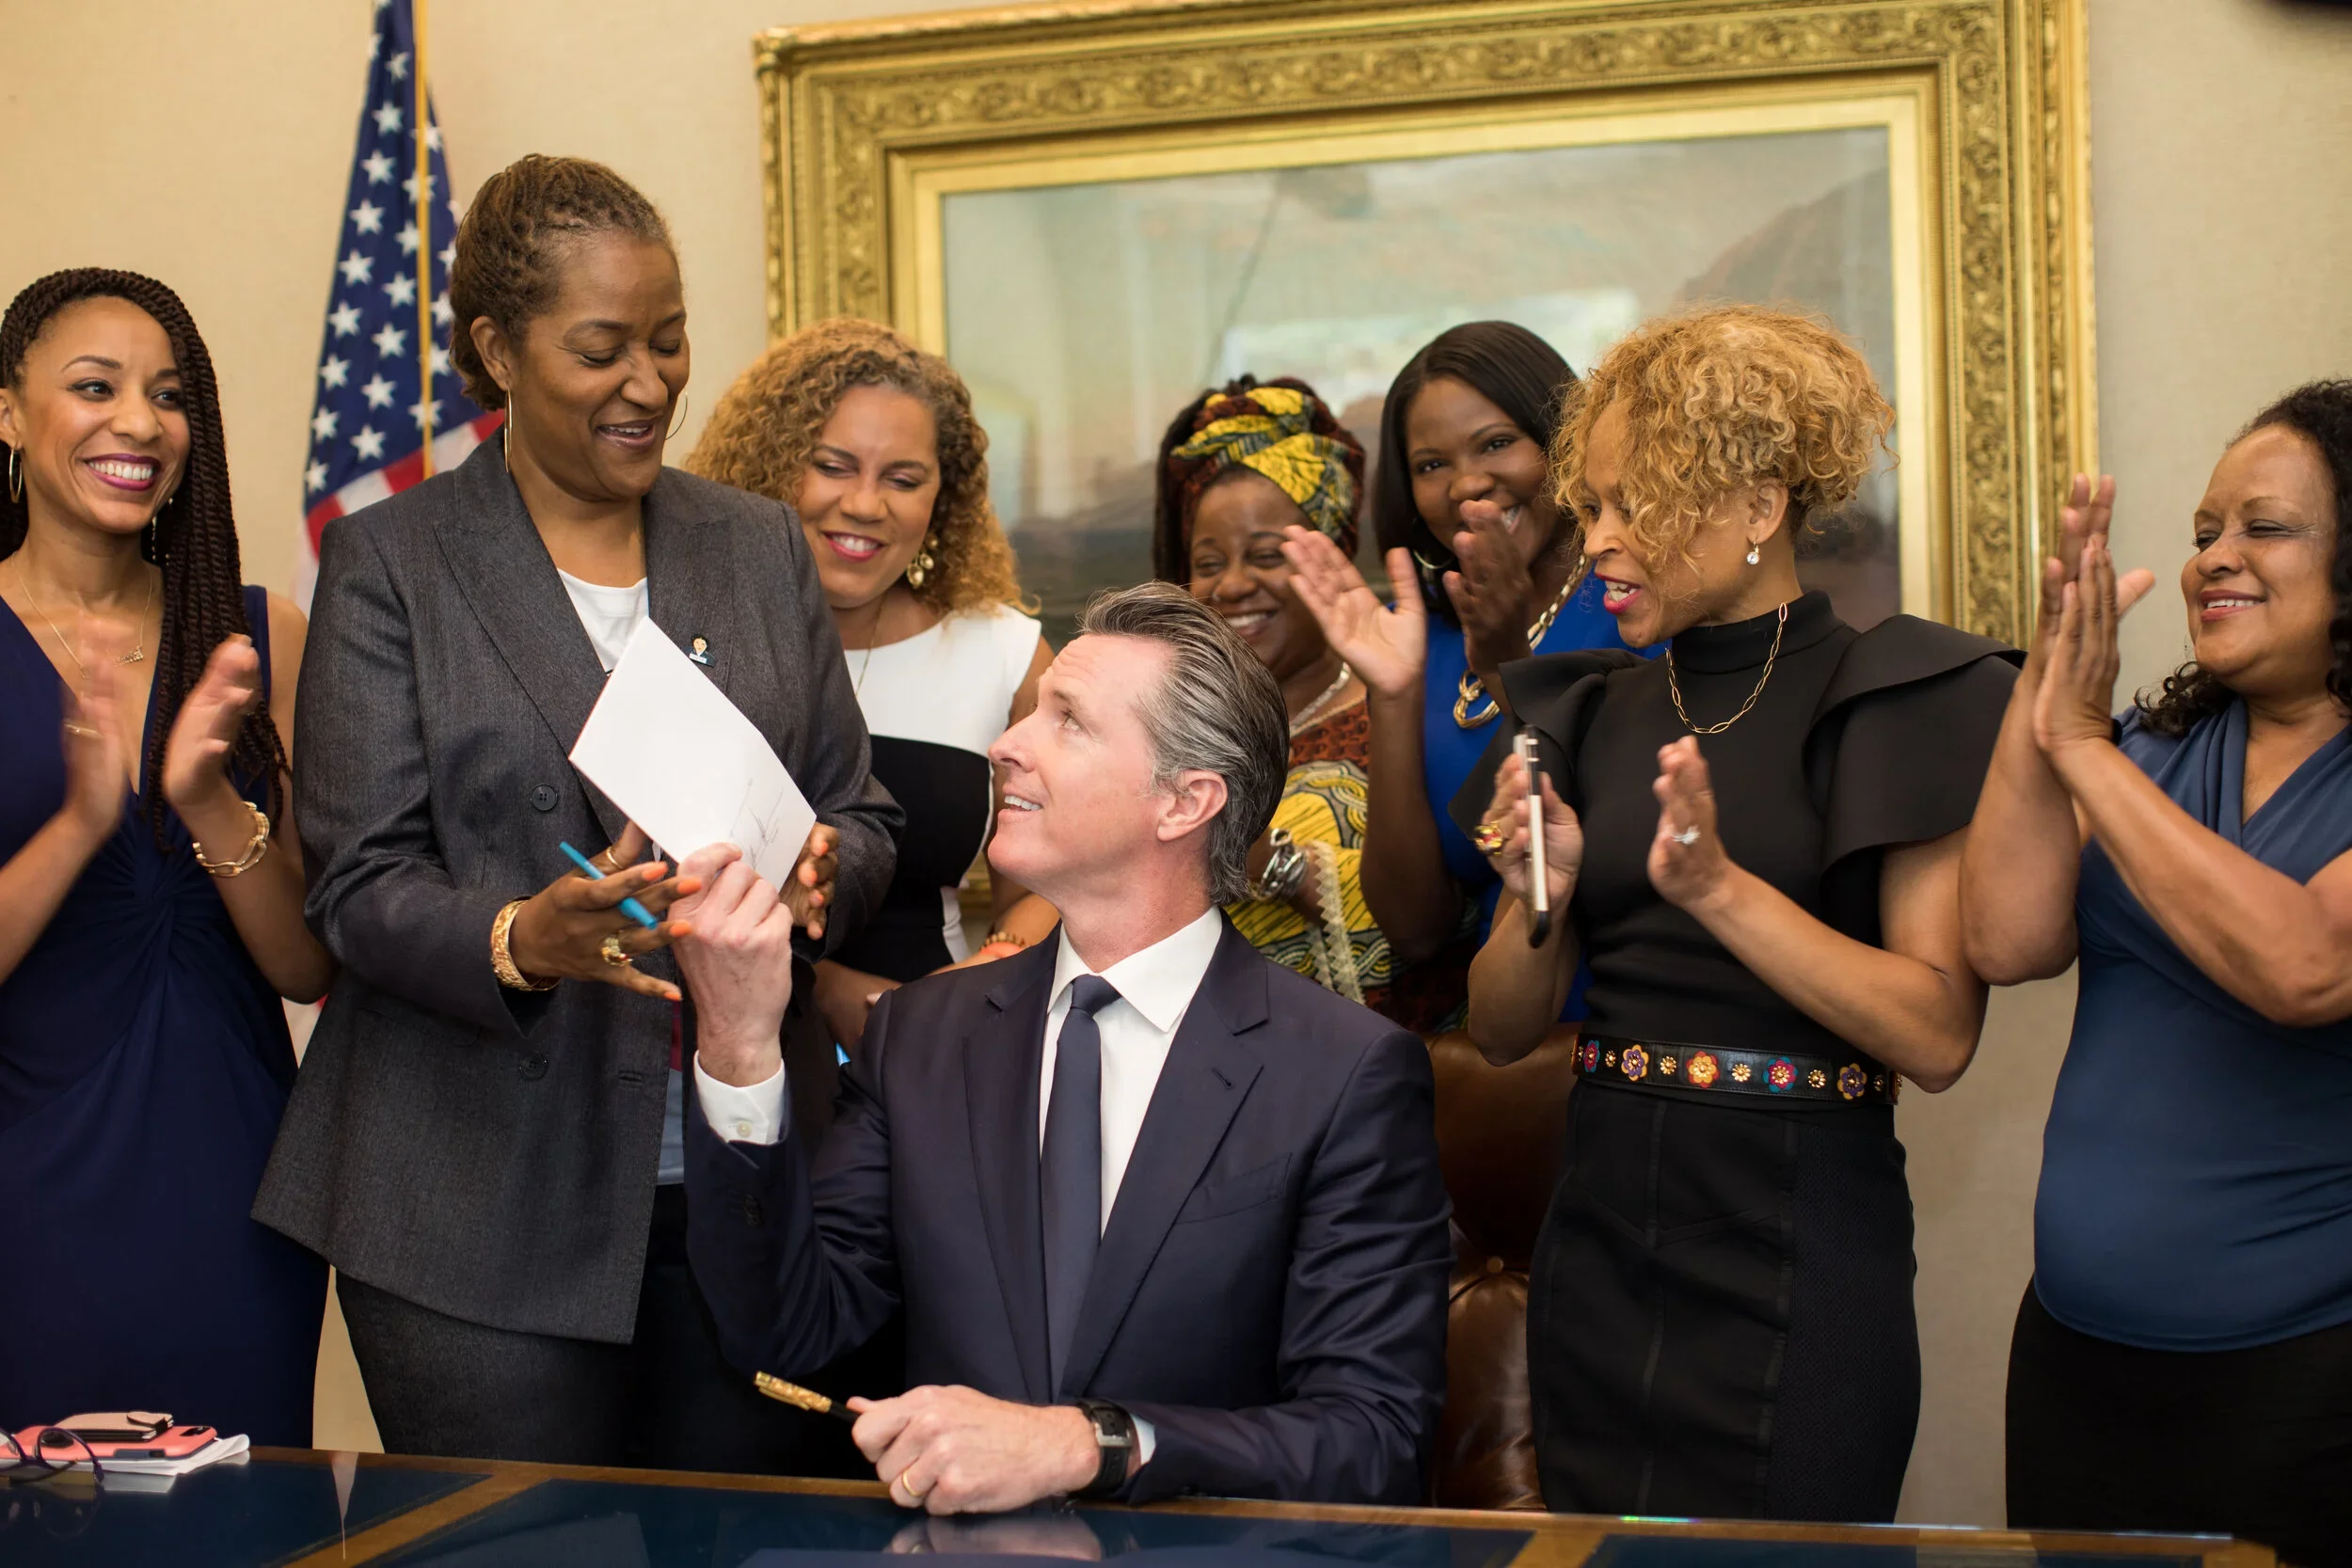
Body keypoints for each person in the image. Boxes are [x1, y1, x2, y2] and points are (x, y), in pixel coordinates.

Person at [252, 156, 899, 1472]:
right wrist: (518, 938)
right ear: (497, 348)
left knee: (742, 1543)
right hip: (472, 1191)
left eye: (669, 341)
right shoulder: (394, 563)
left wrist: (831, 867)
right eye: (602, 348)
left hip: (737, 1164)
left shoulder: (757, 543)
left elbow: (859, 800)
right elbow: (358, 877)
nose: (651, 383)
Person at [675, 582, 1453, 1511]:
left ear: (1184, 800)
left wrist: (1091, 1444)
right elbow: (785, 1330)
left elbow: (1372, 1437)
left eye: (1069, 721)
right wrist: (737, 1040)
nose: (1007, 743)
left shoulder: (1342, 1071)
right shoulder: (922, 1036)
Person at [1436, 305, 2015, 1521]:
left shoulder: (1893, 692)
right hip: (1602, 1237)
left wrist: (1719, 890)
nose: (1598, 540)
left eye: (1633, 502)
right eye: (1589, 505)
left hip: (1801, 1247)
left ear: (1757, 505)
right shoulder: (1585, 708)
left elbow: (1936, 1030)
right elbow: (1496, 1028)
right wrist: (1538, 901)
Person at [1962, 382, 2352, 1567]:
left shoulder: (2114, 762)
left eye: (2262, 527)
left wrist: (2083, 749)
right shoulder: (2154, 750)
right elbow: (2006, 938)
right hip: (2076, 1365)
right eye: (2200, 534)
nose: (2213, 560)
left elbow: (2303, 964)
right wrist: (2050, 682)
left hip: (2302, 1381)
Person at [0, 268, 330, 1445]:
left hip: (233, 1183)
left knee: (239, 1518)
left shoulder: (259, 634)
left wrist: (200, 798)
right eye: (96, 386)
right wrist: (83, 821)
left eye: (171, 394)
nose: (140, 421)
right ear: (7, 410)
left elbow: (305, 968)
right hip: (28, 1195)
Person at [689, 319, 1054, 1050]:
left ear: (942, 498)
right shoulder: (696, 640)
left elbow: (1053, 880)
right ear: (770, 466)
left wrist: (986, 973)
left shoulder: (1006, 655)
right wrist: (827, 990)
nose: (864, 504)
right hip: (722, 1043)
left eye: (903, 479)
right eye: (832, 465)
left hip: (940, 1054)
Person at [1283, 323, 1630, 1029]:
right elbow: (1416, 928)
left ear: (1565, 440)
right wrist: (1393, 691)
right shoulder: (1422, 629)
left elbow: (1605, 833)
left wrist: (1508, 665)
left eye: (1498, 443)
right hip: (1502, 1057)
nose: (1468, 484)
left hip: (1639, 1031)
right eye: (1432, 464)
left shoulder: (1634, 602)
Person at [1152, 374, 1451, 1029]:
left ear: (1331, 555)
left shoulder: (1402, 714)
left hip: (1373, 1091)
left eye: (1265, 555)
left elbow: (1431, 928)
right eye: (1207, 561)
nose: (1231, 585)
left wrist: (1268, 858)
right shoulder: (1166, 733)